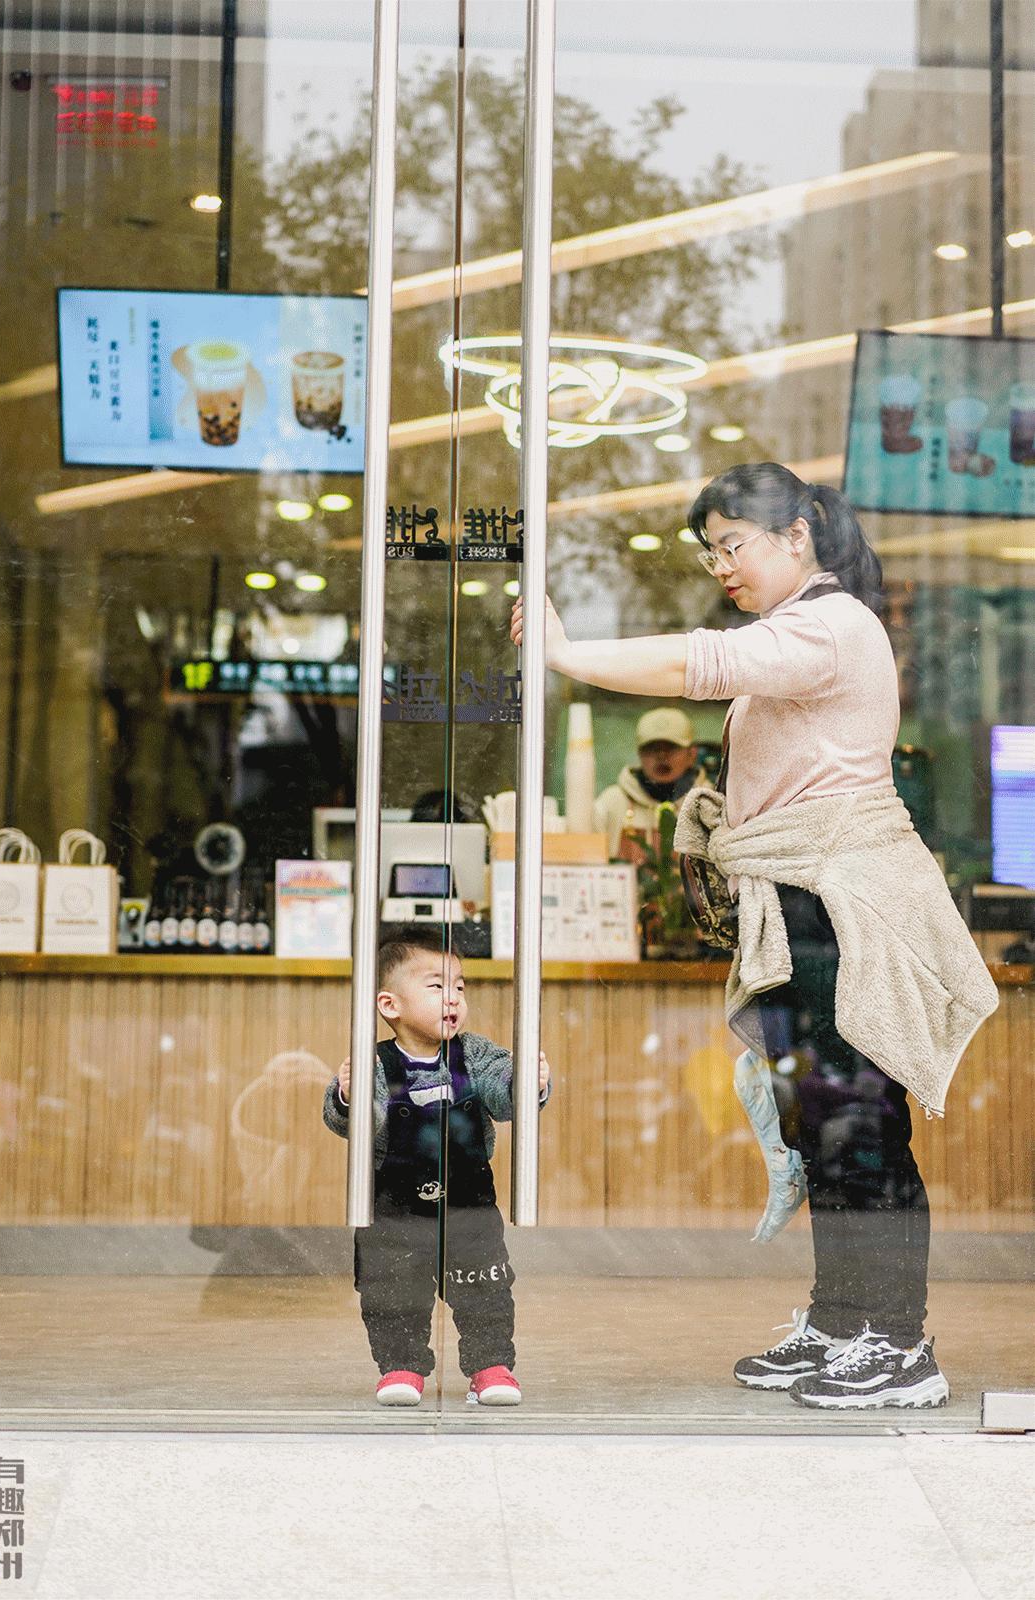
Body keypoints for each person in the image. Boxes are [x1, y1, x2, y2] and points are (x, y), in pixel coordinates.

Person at [510, 462, 997, 1412]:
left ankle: (899, 1346)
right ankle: (842, 1320)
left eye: (733, 544)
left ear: (797, 534)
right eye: (712, 549)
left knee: (862, 1122)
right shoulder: (799, 632)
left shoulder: (833, 624)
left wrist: (566, 654)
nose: (720, 564)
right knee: (825, 1125)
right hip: (801, 895)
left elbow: (703, 663)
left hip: (841, 897)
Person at [323, 925, 550, 1407]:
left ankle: (491, 1367)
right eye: (436, 986)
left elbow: (501, 1094)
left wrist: (527, 1081)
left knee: (486, 1290)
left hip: (468, 1205)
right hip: (395, 1211)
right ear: (390, 1005)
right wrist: (348, 1095)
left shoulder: (477, 1054)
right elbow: (352, 1123)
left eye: (460, 986)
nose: (454, 998)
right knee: (392, 1291)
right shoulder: (375, 1064)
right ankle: (401, 1367)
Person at [592, 707, 708, 858]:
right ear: (639, 754)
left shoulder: (708, 802)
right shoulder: (612, 802)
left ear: (692, 754)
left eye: (671, 748)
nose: (661, 757)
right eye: (652, 749)